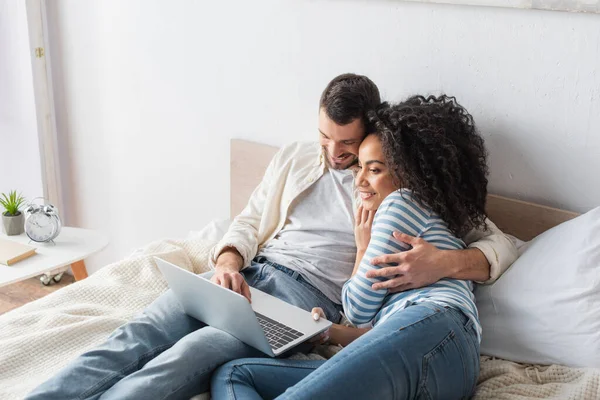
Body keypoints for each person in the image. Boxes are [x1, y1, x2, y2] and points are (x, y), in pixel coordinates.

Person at [27, 75, 516, 400]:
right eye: (326, 137)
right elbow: (248, 220)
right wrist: (227, 263)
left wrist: (444, 264)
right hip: (247, 274)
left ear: (372, 130)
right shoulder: (298, 157)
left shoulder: (400, 182)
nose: (334, 153)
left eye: (347, 144)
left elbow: (500, 244)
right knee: (133, 336)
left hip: (300, 298)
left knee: (190, 356)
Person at [211, 95, 490, 400]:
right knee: (233, 373)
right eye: (360, 168)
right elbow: (378, 331)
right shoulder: (431, 218)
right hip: (445, 360)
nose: (359, 181)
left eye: (374, 169)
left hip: (434, 331)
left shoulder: (399, 204)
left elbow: (358, 308)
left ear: (408, 172)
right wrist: (330, 332)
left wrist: (362, 247)